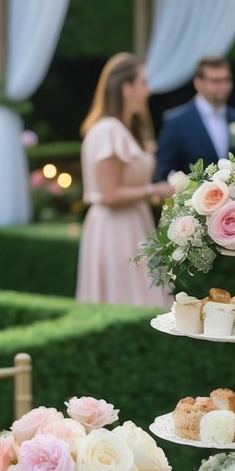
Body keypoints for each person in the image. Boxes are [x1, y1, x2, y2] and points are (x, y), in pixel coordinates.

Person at [76, 53, 173, 306]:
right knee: (126, 298)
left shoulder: (124, 130)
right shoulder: (108, 131)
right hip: (115, 230)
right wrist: (155, 189)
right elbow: (109, 195)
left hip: (133, 222)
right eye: (143, 82)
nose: (148, 90)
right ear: (126, 88)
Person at [155, 55, 235, 180]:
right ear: (198, 83)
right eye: (215, 81)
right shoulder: (176, 122)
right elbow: (164, 173)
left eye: (227, 80)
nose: (223, 86)